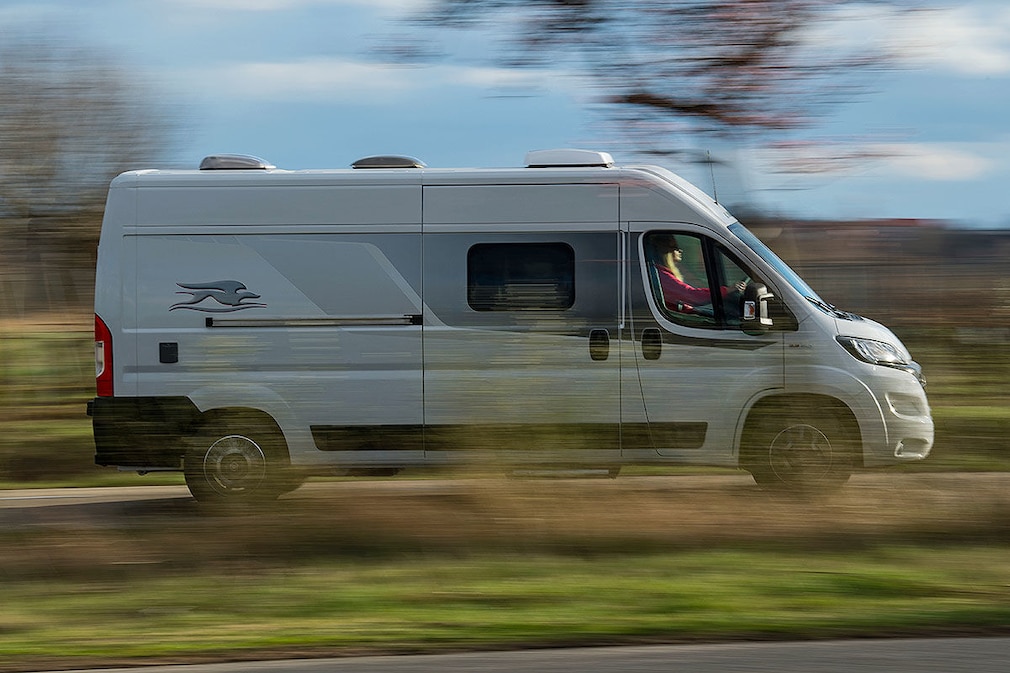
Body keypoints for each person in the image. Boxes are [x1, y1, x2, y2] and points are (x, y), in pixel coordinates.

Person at [652, 235, 745, 314]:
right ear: (664, 252)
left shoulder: (666, 273)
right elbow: (692, 296)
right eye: (675, 247)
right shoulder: (662, 277)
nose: (680, 251)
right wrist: (727, 290)